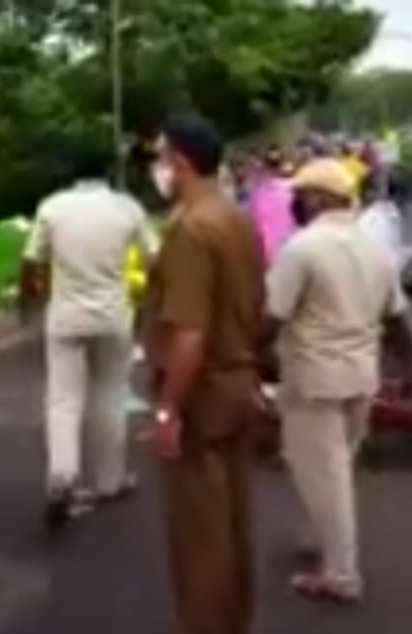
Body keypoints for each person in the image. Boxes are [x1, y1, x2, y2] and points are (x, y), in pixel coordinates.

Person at [267, 158, 412, 603]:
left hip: (313, 379)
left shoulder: (302, 248)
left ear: (318, 198)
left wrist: (248, 360)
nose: (294, 203)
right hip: (361, 376)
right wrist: (408, 367)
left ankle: (341, 574)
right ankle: (318, 538)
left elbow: (272, 316)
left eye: (299, 195)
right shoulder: (376, 248)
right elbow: (398, 318)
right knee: (335, 468)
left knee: (324, 476)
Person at [142, 113, 267, 633]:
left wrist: (168, 408)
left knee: (200, 538)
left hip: (203, 392)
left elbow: (189, 333)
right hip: (239, 380)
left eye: (160, 156)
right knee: (233, 521)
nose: (156, 167)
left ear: (181, 162)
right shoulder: (237, 218)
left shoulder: (191, 230)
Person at [19, 146, 159, 531]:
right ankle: (110, 481)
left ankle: (62, 477)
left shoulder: (53, 207)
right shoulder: (126, 208)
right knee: (110, 395)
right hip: (114, 315)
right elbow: (155, 257)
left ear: (71, 174)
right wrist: (147, 304)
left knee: (63, 400)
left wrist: (27, 302)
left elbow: (31, 262)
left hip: (66, 316)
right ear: (108, 172)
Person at [246, 146, 297, 266]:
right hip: (292, 249)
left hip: (272, 254)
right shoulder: (293, 188)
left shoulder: (257, 194)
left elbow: (254, 226)